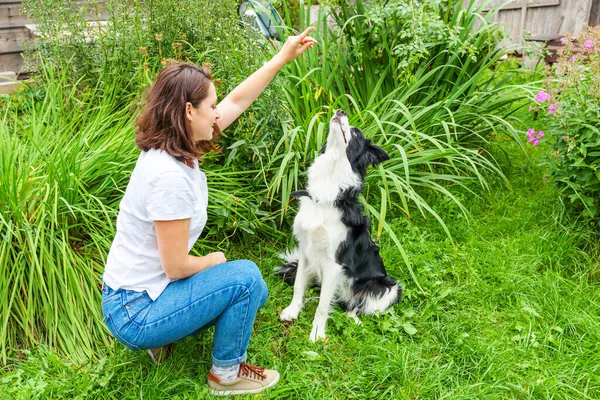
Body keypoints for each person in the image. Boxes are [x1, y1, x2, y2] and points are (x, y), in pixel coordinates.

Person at [101, 28, 316, 396]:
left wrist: (281, 58)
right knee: (245, 279)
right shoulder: (167, 176)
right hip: (134, 312)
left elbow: (236, 101)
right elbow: (177, 267)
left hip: (138, 295)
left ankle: (167, 336)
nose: (217, 112)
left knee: (255, 291)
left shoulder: (172, 145)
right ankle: (226, 375)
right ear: (188, 110)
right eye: (210, 106)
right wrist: (214, 260)